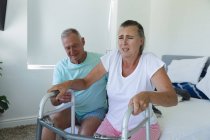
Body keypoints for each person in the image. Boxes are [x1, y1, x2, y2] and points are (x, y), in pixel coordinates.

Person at [48, 20, 178, 140]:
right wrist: (68, 84)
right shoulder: (112, 58)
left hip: (143, 126)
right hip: (112, 123)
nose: (124, 42)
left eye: (130, 38)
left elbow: (172, 98)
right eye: (120, 38)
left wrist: (149, 95)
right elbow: (86, 82)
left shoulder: (149, 61)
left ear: (141, 41)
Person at [42, 28, 108, 140]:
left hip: (95, 110)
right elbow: (53, 101)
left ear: (83, 41)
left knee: (83, 136)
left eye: (75, 45)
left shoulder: (101, 60)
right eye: (67, 48)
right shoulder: (61, 67)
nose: (72, 51)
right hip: (71, 109)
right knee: (48, 126)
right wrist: (59, 99)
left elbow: (115, 86)